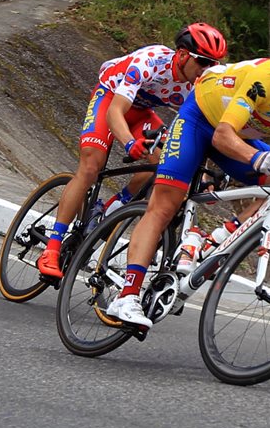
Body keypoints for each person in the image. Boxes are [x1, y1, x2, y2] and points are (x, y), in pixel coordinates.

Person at [105, 27, 270, 329]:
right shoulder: (267, 80)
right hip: (200, 119)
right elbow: (222, 136)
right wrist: (256, 158)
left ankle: (214, 241)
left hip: (237, 134)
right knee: (164, 205)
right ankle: (126, 296)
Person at [35, 23, 229, 280]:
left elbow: (193, 134)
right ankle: (51, 248)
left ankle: (111, 210)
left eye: (214, 63)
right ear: (182, 55)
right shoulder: (150, 62)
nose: (208, 69)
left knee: (164, 162)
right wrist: (129, 143)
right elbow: (115, 112)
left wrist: (204, 178)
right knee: (91, 166)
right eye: (203, 61)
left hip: (142, 112)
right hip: (111, 99)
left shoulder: (199, 86)